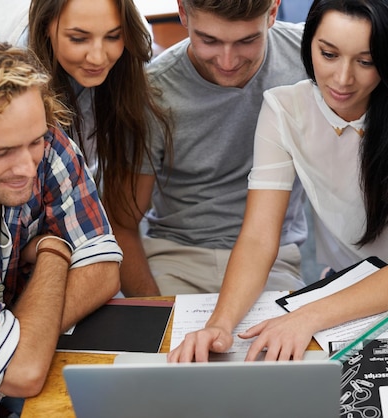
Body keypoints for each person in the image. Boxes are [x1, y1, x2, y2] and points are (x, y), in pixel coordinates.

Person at [168, 0, 388, 367]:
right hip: (345, 289)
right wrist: (220, 324)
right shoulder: (284, 109)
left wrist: (305, 317)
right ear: (309, 45)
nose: (342, 79)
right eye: (328, 54)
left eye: (366, 61)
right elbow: (260, 237)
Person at [0, 34, 122, 418]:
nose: (27, 167)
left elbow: (103, 272)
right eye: (1, 152)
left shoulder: (46, 144)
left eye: (34, 142)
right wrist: (56, 250)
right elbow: (22, 373)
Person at [107, 0, 309, 296]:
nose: (227, 62)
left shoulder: (314, 57)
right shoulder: (153, 93)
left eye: (247, 40)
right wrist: (154, 311)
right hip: (177, 257)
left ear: (273, 12)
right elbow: (121, 223)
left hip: (275, 260)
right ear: (183, 13)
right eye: (208, 40)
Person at [0, 0, 173, 228]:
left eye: (113, 36)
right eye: (78, 38)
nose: (98, 58)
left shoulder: (132, 40)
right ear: (45, 26)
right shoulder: (13, 77)